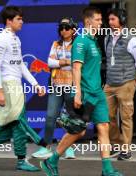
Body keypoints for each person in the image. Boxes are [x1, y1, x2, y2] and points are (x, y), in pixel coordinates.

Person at [40, 7, 123, 176]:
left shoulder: (93, 41)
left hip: (97, 94)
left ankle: (107, 170)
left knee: (103, 128)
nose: (101, 23)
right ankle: (51, 160)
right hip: (84, 93)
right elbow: (76, 69)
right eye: (98, 20)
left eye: (101, 20)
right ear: (88, 22)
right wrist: (77, 93)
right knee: (78, 131)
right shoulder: (81, 41)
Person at [0, 6, 47, 172]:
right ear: (9, 21)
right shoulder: (1, 39)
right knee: (19, 123)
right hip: (8, 86)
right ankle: (35, 149)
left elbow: (21, 66)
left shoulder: (16, 39)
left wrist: (35, 84)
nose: (22, 21)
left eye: (21, 19)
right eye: (19, 19)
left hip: (16, 85)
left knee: (14, 124)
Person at [103, 9, 136, 160]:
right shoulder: (107, 38)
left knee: (126, 117)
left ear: (121, 20)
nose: (110, 22)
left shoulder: (131, 39)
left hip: (125, 84)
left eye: (113, 19)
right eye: (109, 20)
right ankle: (115, 144)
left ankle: (126, 150)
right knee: (107, 116)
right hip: (109, 84)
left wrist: (131, 74)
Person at [32, 17, 77, 159]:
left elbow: (77, 64)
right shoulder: (55, 44)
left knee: (71, 118)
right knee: (51, 116)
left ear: (73, 29)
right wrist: (64, 62)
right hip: (56, 85)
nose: (63, 31)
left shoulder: (78, 44)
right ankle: (46, 147)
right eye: (61, 28)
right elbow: (50, 63)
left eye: (67, 28)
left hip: (72, 85)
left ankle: (69, 148)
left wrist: (60, 62)